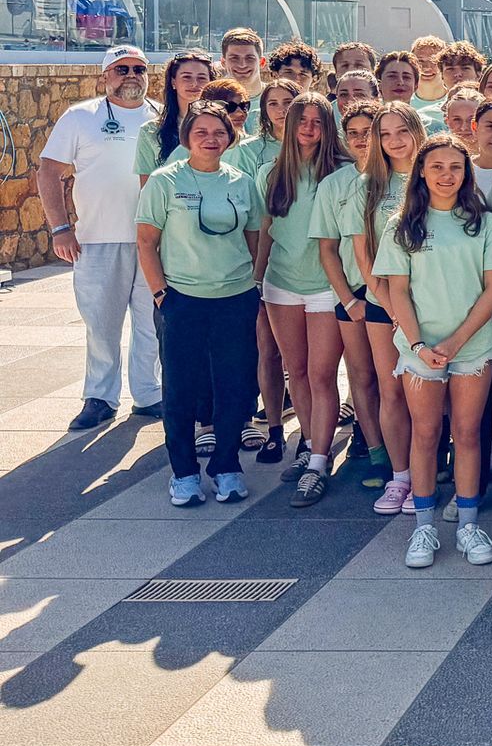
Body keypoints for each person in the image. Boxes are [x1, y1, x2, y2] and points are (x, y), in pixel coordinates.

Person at [373, 134, 492, 569]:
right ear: (421, 171)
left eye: (455, 167)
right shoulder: (402, 226)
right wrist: (419, 344)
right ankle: (424, 527)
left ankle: (468, 525)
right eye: (437, 166)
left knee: (468, 434)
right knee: (426, 434)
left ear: (466, 172)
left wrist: (455, 342)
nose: (446, 175)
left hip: (472, 347)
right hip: (419, 350)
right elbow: (396, 290)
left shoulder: (485, 223)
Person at [135, 99, 264, 507]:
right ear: (187, 137)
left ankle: (226, 466)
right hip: (182, 300)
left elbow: (256, 236)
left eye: (219, 132)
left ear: (231, 136)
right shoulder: (165, 181)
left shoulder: (242, 182)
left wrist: (253, 283)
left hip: (234, 299)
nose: (211, 139)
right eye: (201, 132)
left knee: (234, 386)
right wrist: (161, 294)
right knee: (181, 389)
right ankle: (184, 473)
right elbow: (146, 242)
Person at [39, 45, 163, 429]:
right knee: (101, 325)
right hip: (97, 239)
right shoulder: (80, 117)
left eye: (139, 69)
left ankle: (149, 394)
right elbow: (48, 172)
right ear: (105, 75)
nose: (131, 75)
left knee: (151, 323)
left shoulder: (162, 117)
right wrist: (60, 228)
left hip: (155, 240)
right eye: (122, 69)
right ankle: (100, 397)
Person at [254, 93, 351, 505]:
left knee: (321, 373)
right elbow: (264, 230)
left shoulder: (343, 172)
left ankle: (319, 462)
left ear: (329, 127)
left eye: (317, 121)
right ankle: (310, 446)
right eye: (302, 120)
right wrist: (256, 280)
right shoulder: (270, 173)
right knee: (296, 371)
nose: (309, 129)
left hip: (327, 285)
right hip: (281, 283)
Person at [355, 104, 426, 515]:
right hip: (384, 306)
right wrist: (391, 306)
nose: (395, 140)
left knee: (427, 395)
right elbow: (363, 253)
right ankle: (400, 477)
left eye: (402, 131)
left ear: (417, 131)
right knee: (392, 391)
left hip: (433, 305)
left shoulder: (434, 174)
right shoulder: (367, 185)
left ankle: (427, 474)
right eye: (385, 134)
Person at [312, 100, 388, 485]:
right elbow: (327, 248)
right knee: (362, 375)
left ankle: (411, 454)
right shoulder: (334, 184)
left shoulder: (402, 178)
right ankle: (377, 453)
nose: (361, 140)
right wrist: (348, 299)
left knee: (396, 378)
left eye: (368, 132)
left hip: (396, 294)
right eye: (353, 133)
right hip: (354, 294)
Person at [137, 49, 214, 180]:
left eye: (201, 78)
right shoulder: (150, 131)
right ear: (173, 82)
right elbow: (147, 188)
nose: (194, 84)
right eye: (186, 77)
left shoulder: (224, 129)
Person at [409, 35, 448, 109]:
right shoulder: (403, 102)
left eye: (433, 61)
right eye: (420, 61)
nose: (427, 67)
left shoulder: (456, 102)